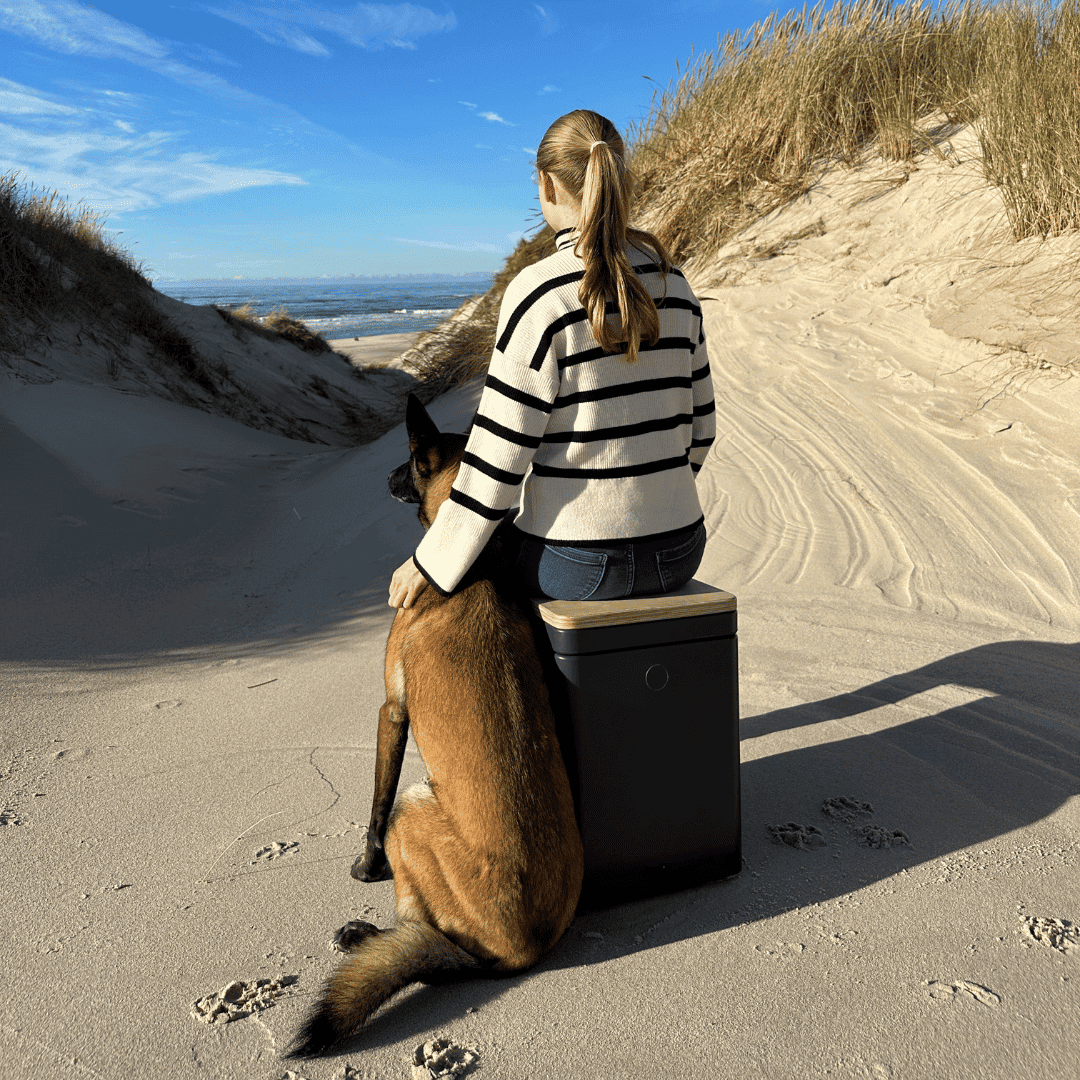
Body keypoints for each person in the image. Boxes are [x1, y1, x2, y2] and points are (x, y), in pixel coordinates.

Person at [388, 108, 714, 609]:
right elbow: (702, 431)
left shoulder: (540, 294)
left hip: (580, 565)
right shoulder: (677, 285)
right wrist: (649, 503)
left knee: (491, 562)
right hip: (680, 550)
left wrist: (429, 560)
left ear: (545, 185)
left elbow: (499, 461)